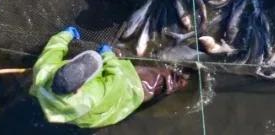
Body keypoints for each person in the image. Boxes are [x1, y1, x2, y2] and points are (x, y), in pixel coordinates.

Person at [30, 27, 187, 128]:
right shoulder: (93, 94)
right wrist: (107, 55)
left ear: (61, 69)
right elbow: (117, 78)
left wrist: (66, 34)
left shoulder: (44, 71)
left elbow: (53, 49)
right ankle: (185, 80)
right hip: (126, 92)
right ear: (78, 89)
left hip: (79, 114)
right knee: (158, 81)